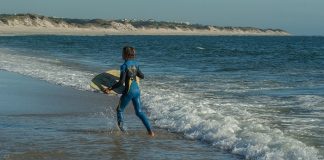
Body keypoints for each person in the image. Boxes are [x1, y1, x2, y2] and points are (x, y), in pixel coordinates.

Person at [104, 46, 154, 137]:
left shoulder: (124, 66)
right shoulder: (136, 64)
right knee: (139, 112)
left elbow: (121, 82)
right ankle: (150, 132)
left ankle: (122, 131)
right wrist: (133, 75)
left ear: (126, 54)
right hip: (137, 90)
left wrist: (109, 88)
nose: (121, 55)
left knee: (119, 110)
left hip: (129, 91)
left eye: (122, 53)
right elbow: (142, 76)